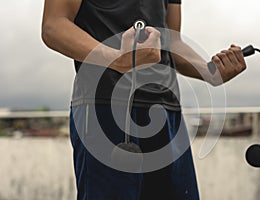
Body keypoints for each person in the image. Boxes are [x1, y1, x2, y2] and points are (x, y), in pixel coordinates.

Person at [42, 0, 246, 199]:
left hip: (167, 109)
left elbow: (172, 40)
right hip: (102, 107)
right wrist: (115, 58)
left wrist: (208, 71)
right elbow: (54, 25)